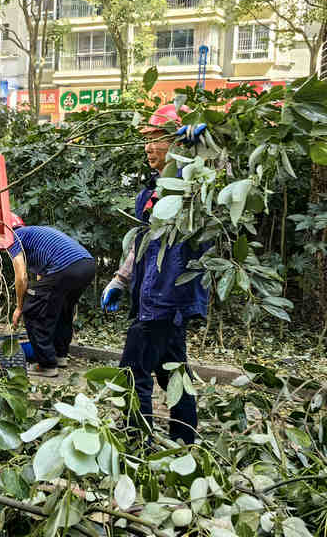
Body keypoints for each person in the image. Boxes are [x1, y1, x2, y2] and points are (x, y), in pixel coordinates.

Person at [100, 103, 208, 445]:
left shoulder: (193, 190)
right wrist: (121, 279)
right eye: (146, 139)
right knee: (173, 371)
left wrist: (204, 148)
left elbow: (218, 183)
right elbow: (142, 243)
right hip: (150, 295)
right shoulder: (150, 193)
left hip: (169, 295)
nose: (149, 147)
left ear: (177, 143)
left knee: (133, 372)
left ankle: (137, 440)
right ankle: (184, 439)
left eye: (157, 138)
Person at [9, 214, 96, 377]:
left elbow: (21, 277)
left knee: (33, 312)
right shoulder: (34, 234)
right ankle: (59, 355)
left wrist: (20, 307)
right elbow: (43, 279)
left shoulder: (14, 237)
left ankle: (46, 365)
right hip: (87, 265)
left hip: (66, 267)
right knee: (61, 309)